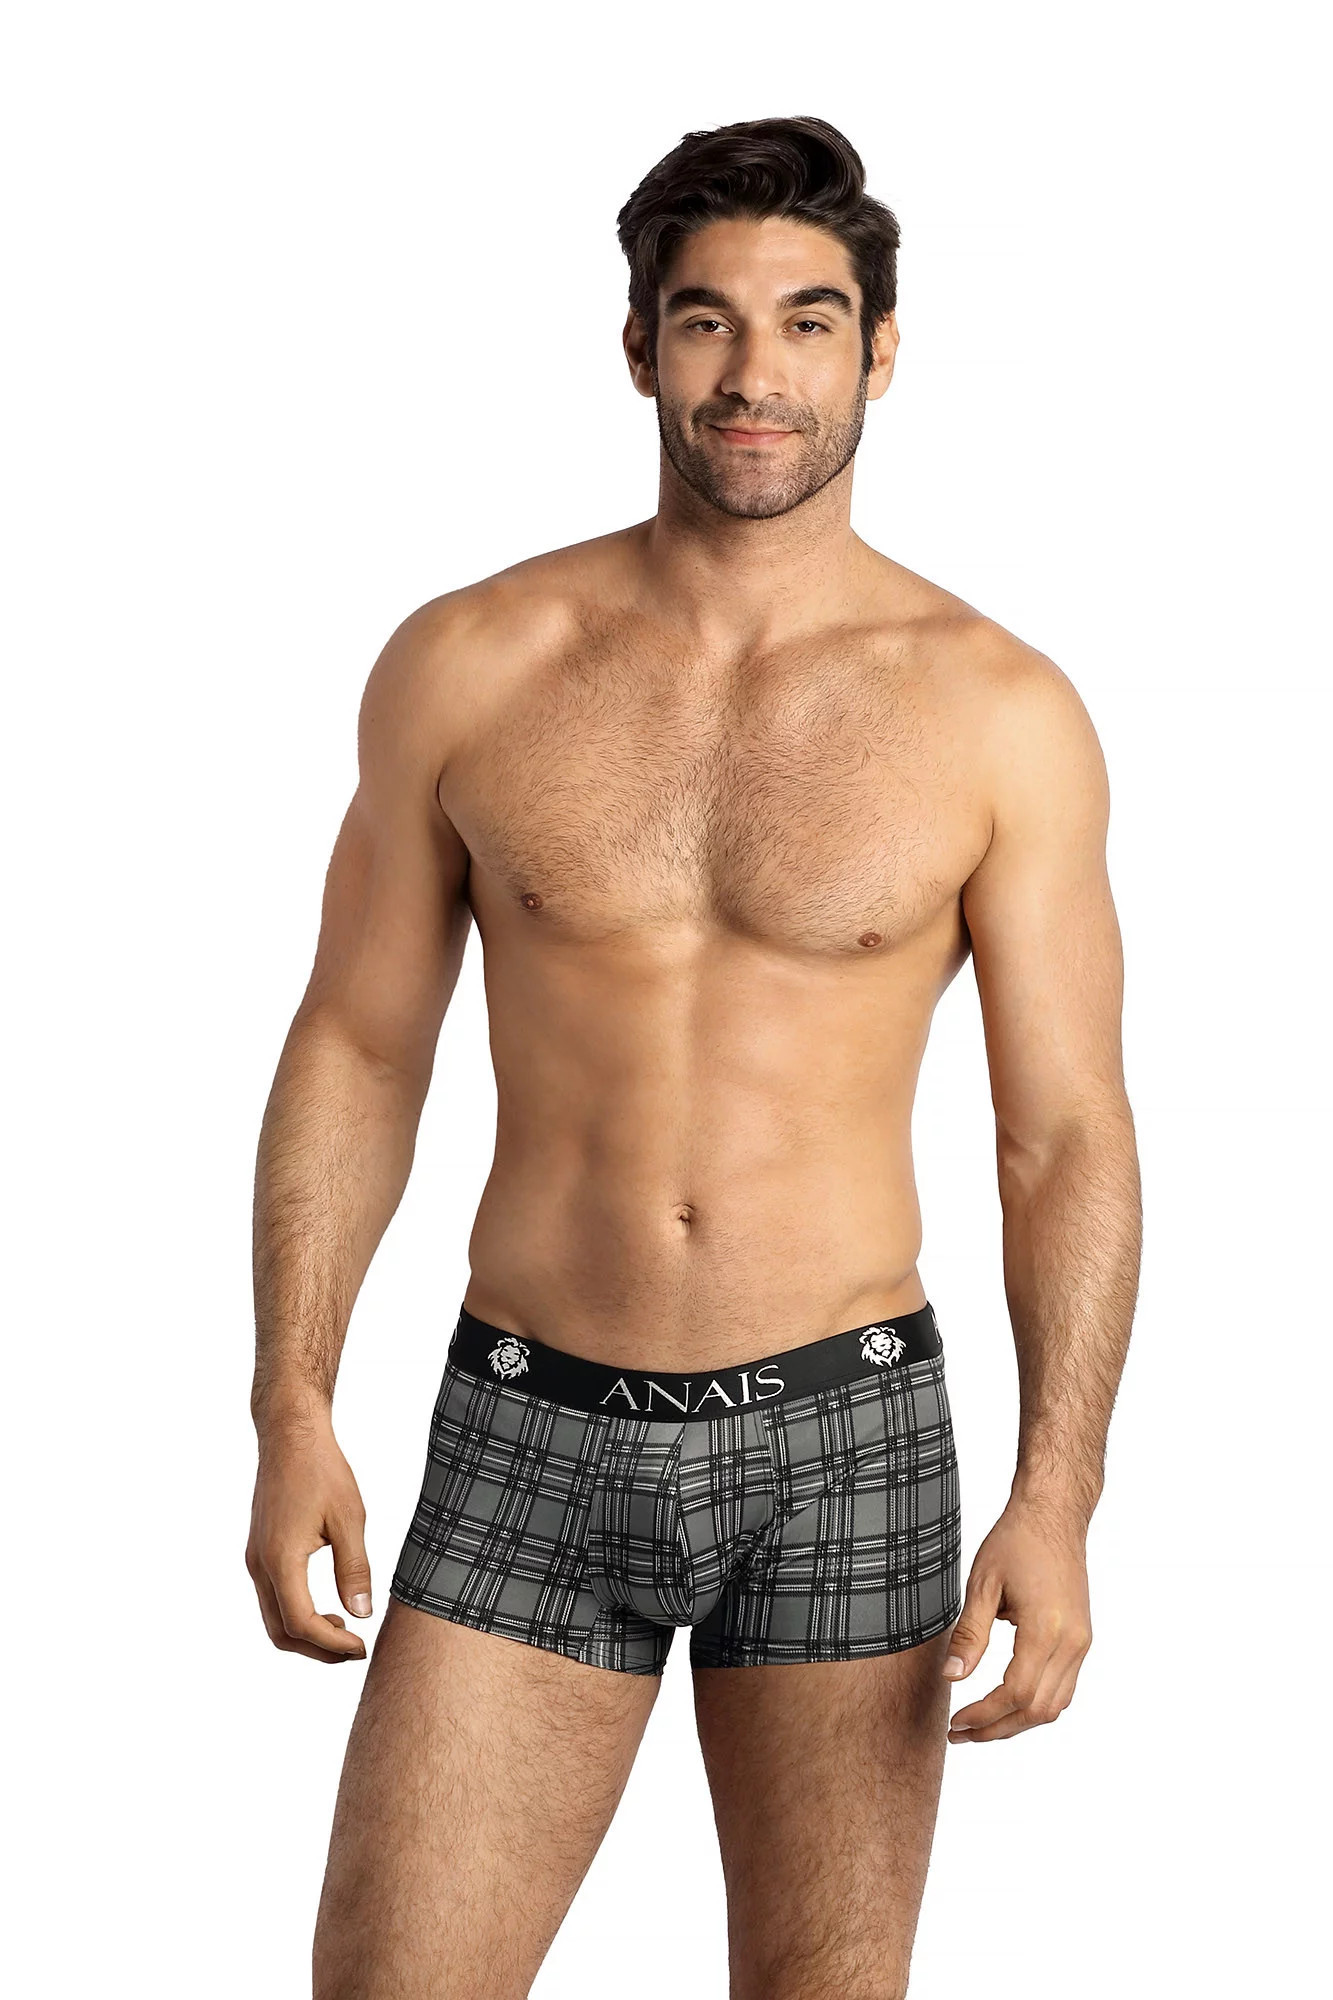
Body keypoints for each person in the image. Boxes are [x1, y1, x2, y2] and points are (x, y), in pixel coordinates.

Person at [247, 114, 1142, 1999]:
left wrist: (1057, 1496)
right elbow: (359, 1044)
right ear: (638, 346)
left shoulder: (996, 710)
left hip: (846, 1429)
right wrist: (291, 1402)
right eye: (707, 320)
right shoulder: (473, 662)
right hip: (528, 1416)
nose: (754, 373)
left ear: (878, 352)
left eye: (807, 322)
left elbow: (1061, 1132)